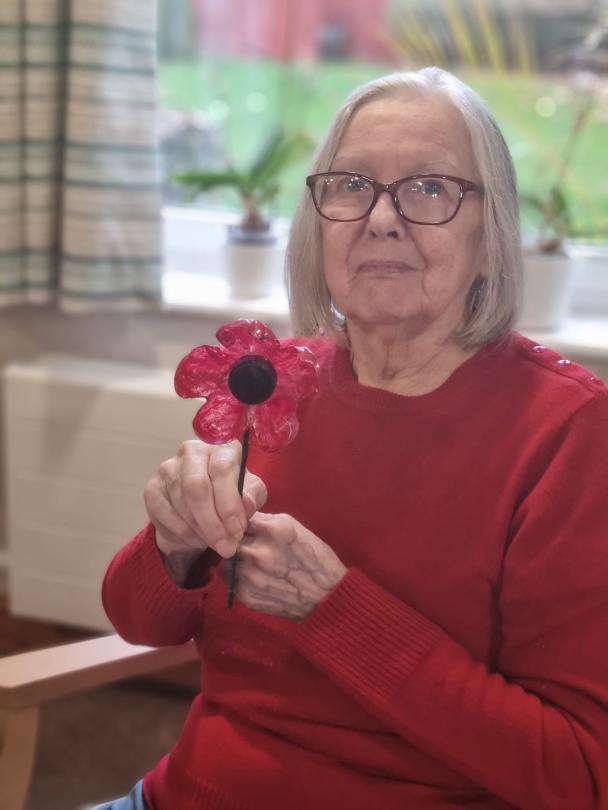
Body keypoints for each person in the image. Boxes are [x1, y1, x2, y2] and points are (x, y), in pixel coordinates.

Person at [99, 67, 608, 810]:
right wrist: (171, 545)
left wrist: (334, 609)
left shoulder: (567, 432)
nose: (381, 218)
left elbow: (577, 775)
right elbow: (138, 621)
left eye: (430, 187)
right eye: (351, 185)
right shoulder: (267, 381)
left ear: (492, 237)